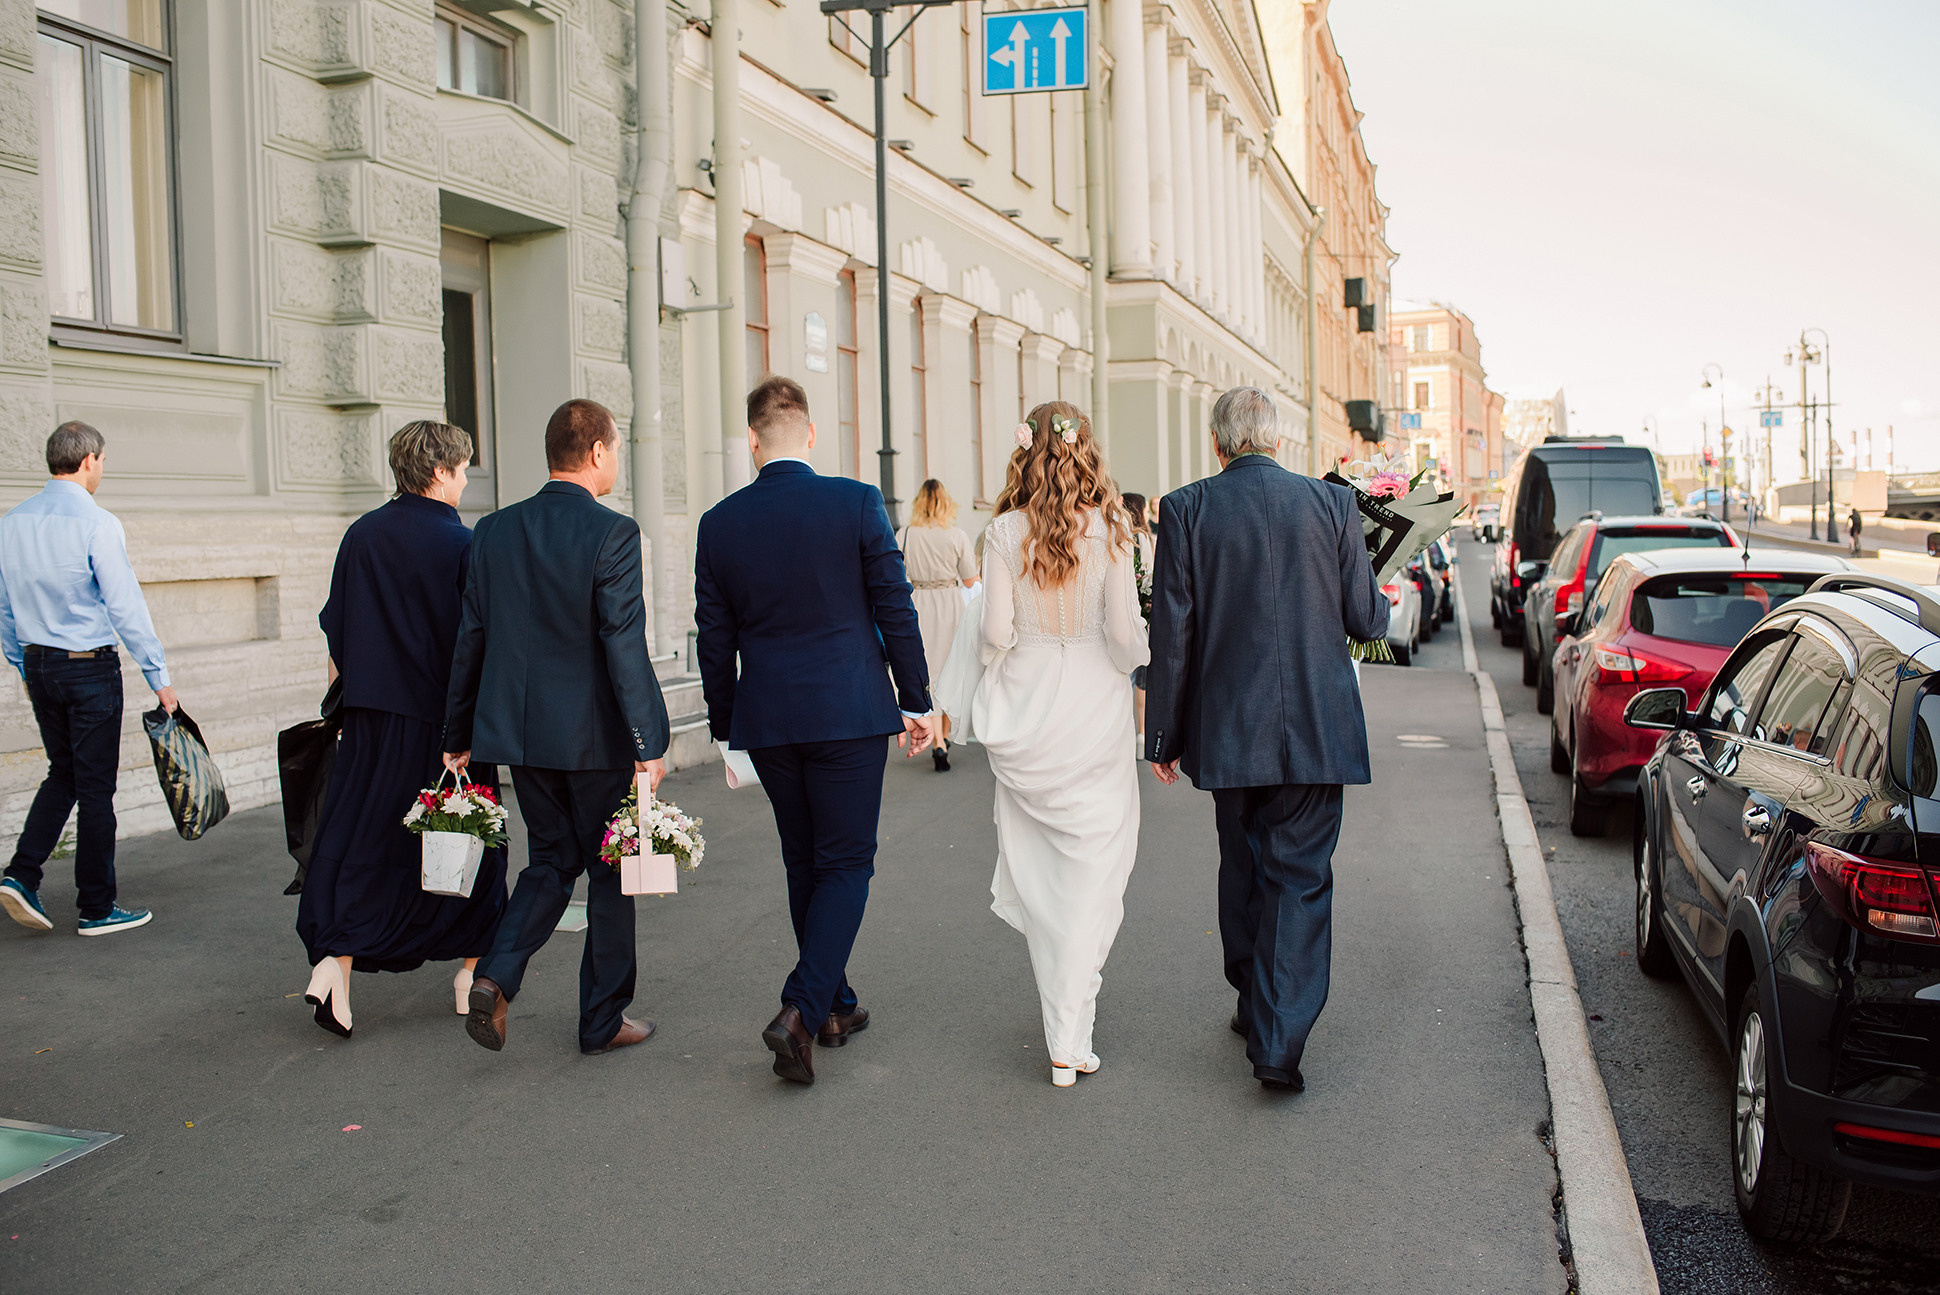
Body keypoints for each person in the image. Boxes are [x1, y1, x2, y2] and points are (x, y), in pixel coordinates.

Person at [1144, 387, 1388, 1093]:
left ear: (1218, 444)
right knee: (1300, 877)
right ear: (1277, 440)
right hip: (1318, 725)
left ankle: (1255, 1003)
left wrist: (1164, 734)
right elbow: (1368, 622)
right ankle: (1279, 1038)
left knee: (1243, 865)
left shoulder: (1186, 508)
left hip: (1229, 726)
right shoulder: (1334, 506)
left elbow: (1174, 633)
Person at [694, 376, 933, 1087]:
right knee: (847, 862)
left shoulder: (721, 522)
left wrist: (725, 722)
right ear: (811, 434)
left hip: (768, 717)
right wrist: (918, 698)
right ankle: (801, 1009)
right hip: (849, 711)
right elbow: (896, 605)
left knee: (806, 861)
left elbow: (714, 637)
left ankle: (835, 1005)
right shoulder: (855, 501)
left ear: (752, 441)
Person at [442, 399, 671, 1056]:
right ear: (597, 452)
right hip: (594, 738)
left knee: (548, 863)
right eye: (617, 447)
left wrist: (458, 731)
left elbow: (471, 640)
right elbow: (623, 644)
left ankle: (494, 975)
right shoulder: (613, 532)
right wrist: (648, 741)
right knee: (609, 869)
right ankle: (602, 1019)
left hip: (519, 735)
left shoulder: (492, 530)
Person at [295, 421, 508, 1038]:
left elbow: (338, 631)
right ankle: (473, 975)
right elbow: (474, 644)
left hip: (370, 721)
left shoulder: (360, 536)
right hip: (445, 727)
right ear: (440, 472)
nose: (466, 479)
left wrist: (342, 705)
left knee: (365, 840)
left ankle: (336, 967)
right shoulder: (463, 545)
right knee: (471, 844)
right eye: (463, 468)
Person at [975, 402, 1148, 1087]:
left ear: (1026, 449)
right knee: (1097, 870)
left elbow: (993, 633)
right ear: (1087, 451)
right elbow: (1125, 637)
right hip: (1094, 708)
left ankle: (1065, 1036)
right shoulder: (1112, 528)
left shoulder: (1001, 532)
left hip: (1029, 705)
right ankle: (1070, 1036)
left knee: (1045, 878)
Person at [0, 421, 175, 937]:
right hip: (89, 666)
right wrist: (158, 676)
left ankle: (22, 874)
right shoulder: (97, 523)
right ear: (89, 461)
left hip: (39, 663)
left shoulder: (11, 522)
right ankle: (97, 906)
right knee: (95, 787)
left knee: (65, 772)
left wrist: (23, 663)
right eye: (102, 462)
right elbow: (125, 605)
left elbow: (5, 607)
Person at [900, 479, 977, 772]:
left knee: (927, 671)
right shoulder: (955, 535)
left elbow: (897, 571)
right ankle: (942, 739)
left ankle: (939, 741)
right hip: (949, 602)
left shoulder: (905, 534)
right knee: (949, 668)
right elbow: (969, 579)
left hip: (918, 603)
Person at [1120, 491, 1156, 748]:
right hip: (1139, 612)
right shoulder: (1141, 536)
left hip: (1125, 609)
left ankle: (1127, 732)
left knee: (1125, 678)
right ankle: (1141, 734)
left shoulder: (1118, 534)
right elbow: (1147, 574)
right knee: (1141, 679)